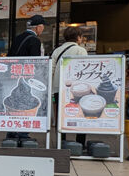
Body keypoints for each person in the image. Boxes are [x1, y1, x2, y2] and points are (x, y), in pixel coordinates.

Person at [6, 14, 47, 144]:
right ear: (38, 27)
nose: (43, 29)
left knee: (15, 102)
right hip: (27, 78)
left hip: (13, 76)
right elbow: (35, 62)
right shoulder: (34, 40)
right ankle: (23, 134)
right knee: (25, 103)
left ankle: (11, 133)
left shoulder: (18, 38)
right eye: (42, 26)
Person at [51, 26, 87, 146]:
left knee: (60, 115)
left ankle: (61, 141)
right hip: (77, 89)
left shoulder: (57, 51)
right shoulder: (80, 51)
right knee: (80, 114)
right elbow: (85, 69)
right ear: (78, 38)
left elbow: (52, 70)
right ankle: (80, 142)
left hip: (58, 88)